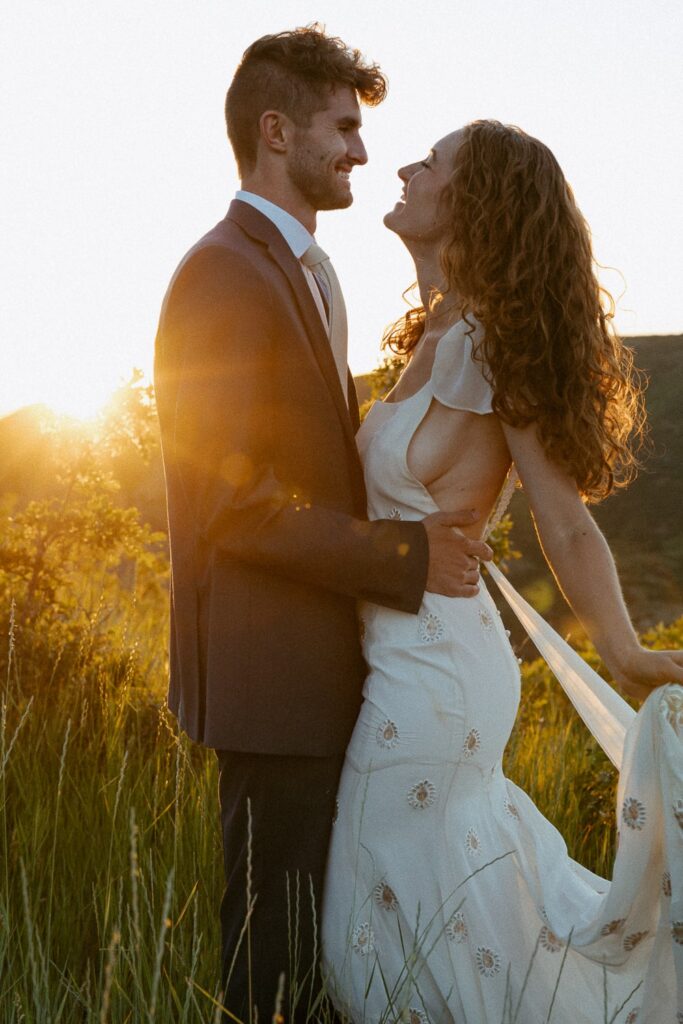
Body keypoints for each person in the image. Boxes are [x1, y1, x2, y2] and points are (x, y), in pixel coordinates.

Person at [154, 29, 492, 1023]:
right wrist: (404, 556)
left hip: (332, 674)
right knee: (271, 967)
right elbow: (230, 503)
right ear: (274, 131)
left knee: (324, 958)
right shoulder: (220, 273)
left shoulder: (310, 273)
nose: (357, 151)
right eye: (342, 127)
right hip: (272, 686)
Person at [321, 120, 683, 1022]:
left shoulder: (488, 343)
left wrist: (622, 650)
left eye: (432, 162)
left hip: (436, 674)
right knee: (423, 920)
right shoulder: (434, 332)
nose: (404, 166)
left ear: (473, 203)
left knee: (368, 923)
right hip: (402, 653)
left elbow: (562, 517)